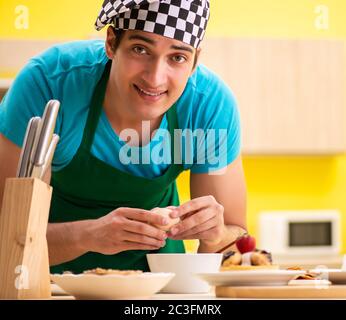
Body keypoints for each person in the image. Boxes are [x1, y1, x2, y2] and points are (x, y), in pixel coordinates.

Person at [0, 0, 247, 274]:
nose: (155, 78)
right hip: (44, 282)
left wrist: (217, 235)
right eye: (140, 49)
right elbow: (7, 236)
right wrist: (90, 235)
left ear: (194, 61)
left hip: (157, 289)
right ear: (111, 42)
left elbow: (237, 246)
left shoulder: (208, 106)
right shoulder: (50, 83)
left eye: (177, 57)